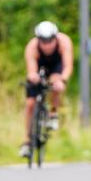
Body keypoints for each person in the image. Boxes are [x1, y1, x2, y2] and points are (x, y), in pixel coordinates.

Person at [20, 21, 73, 158]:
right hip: (39, 67)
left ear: (55, 37)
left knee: (56, 82)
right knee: (30, 103)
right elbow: (31, 69)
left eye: (50, 40)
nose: (47, 45)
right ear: (38, 39)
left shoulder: (64, 42)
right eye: (43, 41)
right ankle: (27, 141)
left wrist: (63, 80)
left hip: (57, 66)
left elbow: (68, 67)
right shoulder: (31, 47)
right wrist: (33, 76)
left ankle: (53, 113)